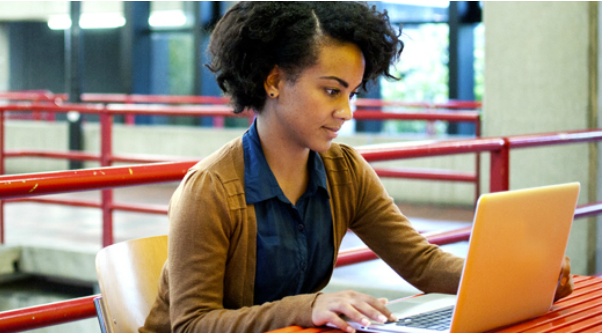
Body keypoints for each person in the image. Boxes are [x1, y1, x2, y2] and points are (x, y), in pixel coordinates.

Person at [140, 2, 574, 333]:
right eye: (331, 91)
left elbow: (419, 262)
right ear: (273, 82)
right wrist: (307, 306)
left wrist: (515, 276)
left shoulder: (345, 171)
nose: (346, 111)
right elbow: (192, 324)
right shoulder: (210, 190)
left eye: (352, 92)